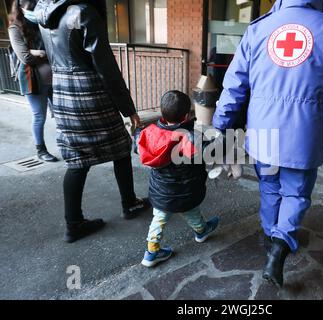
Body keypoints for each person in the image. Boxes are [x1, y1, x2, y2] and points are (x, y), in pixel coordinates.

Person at [213, 0, 323, 287]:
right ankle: (281, 242)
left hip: (263, 131)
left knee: (269, 185)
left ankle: (271, 234)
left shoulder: (259, 28)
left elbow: (234, 83)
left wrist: (221, 123)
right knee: (296, 193)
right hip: (304, 133)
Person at [34, 0, 149, 243]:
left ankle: (73, 223)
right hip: (88, 90)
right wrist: (129, 109)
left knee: (77, 158)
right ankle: (129, 203)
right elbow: (105, 66)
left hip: (62, 90)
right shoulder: (83, 13)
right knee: (120, 147)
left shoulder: (43, 12)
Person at [137, 91, 220, 267]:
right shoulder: (191, 136)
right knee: (191, 211)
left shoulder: (150, 133)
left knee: (159, 219)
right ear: (186, 116)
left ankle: (151, 252)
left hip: (161, 192)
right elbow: (210, 152)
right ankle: (202, 231)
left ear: (162, 114)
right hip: (186, 191)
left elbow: (137, 144)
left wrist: (137, 131)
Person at [8, 0, 57, 162]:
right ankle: (41, 150)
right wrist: (39, 53)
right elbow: (25, 57)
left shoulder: (43, 23)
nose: (35, 8)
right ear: (21, 6)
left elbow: (57, 50)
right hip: (32, 80)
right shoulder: (15, 28)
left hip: (54, 78)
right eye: (31, 6)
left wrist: (39, 52)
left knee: (61, 114)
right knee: (39, 116)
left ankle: (69, 144)